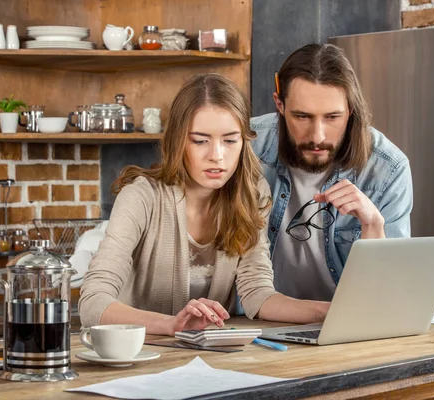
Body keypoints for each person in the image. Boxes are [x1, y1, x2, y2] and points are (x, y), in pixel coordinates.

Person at [79, 73, 330, 335]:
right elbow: (92, 302)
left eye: (230, 140)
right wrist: (172, 325)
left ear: (244, 142)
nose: (217, 156)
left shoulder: (252, 195)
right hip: (138, 355)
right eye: (200, 141)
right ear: (178, 141)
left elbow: (257, 292)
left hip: (210, 357)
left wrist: (327, 311)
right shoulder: (141, 197)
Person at [250, 43, 413, 302]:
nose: (318, 136)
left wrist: (373, 224)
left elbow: (391, 295)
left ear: (351, 109)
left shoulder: (388, 169)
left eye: (332, 117)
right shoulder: (246, 146)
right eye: (302, 117)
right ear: (279, 105)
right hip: (256, 322)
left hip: (347, 324)